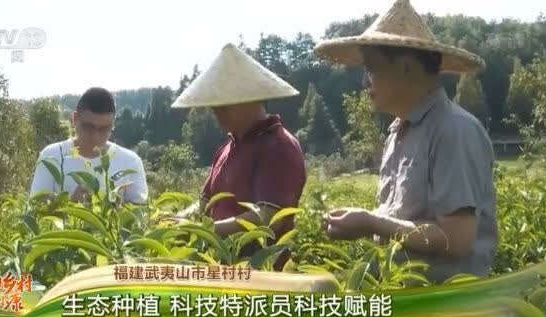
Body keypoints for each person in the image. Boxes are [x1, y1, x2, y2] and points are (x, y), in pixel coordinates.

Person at [315, 0, 497, 282]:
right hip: (401, 296)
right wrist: (360, 221)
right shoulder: (398, 132)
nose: (366, 81)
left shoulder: (453, 130)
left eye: (372, 68)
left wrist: (370, 221)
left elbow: (456, 239)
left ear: (408, 68)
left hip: (447, 308)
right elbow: (400, 217)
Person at [171, 43, 306, 270]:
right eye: (216, 105)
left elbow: (270, 218)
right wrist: (177, 220)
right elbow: (205, 204)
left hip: (263, 273)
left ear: (250, 99)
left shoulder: (278, 145)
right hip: (223, 267)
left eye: (225, 104)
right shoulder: (226, 148)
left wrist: (208, 231)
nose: (217, 112)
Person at [30, 87, 148, 204]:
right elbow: (36, 208)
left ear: (113, 124)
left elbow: (140, 214)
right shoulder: (52, 156)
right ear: (75, 119)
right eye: (88, 127)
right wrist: (71, 205)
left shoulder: (130, 162)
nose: (95, 136)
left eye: (104, 129)